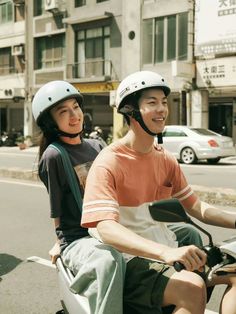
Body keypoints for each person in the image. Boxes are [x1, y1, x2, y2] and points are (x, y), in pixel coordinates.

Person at [81, 70, 236, 314]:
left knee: (235, 272)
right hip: (131, 261)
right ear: (131, 111)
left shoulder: (166, 159)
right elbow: (105, 227)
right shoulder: (108, 162)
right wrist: (166, 252)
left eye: (164, 102)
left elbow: (197, 207)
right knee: (192, 287)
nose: (162, 109)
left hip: (168, 251)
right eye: (152, 103)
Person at [31, 80, 126, 314]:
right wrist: (61, 243)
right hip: (79, 237)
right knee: (108, 260)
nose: (74, 116)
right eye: (64, 112)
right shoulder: (54, 156)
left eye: (76, 107)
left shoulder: (97, 145)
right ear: (50, 123)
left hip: (109, 225)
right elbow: (58, 211)